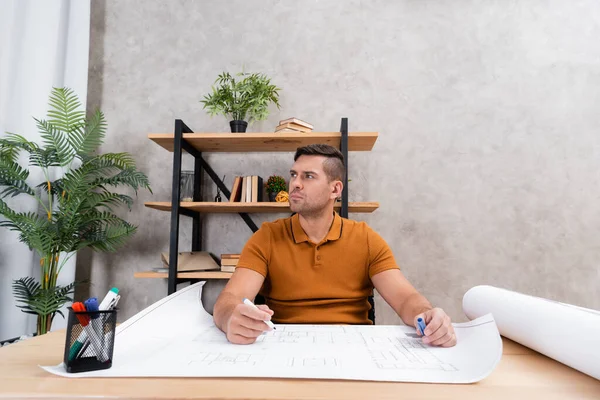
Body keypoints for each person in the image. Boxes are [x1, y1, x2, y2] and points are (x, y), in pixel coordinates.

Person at [213, 144, 457, 347]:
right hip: (282, 346)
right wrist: (230, 317)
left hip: (354, 348)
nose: (295, 184)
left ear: (335, 189)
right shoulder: (267, 237)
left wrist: (426, 315)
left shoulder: (365, 239)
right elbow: (230, 299)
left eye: (308, 176)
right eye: (293, 175)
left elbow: (406, 299)